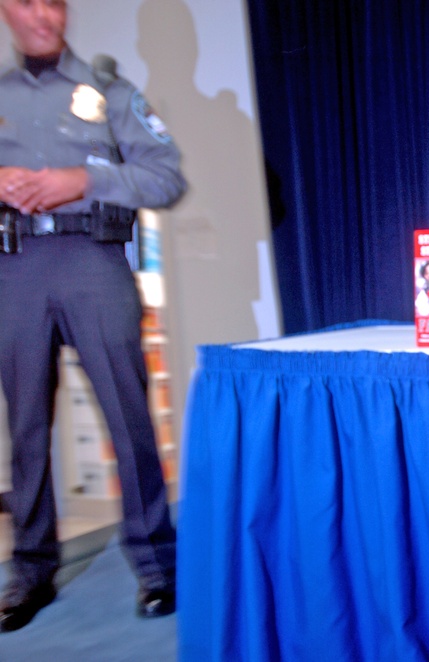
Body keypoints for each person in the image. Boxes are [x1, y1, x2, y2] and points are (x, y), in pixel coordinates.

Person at [0, 0, 186, 632]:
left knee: (127, 417)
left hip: (93, 260)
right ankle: (30, 571)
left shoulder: (110, 90)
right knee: (25, 428)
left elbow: (164, 177)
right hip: (14, 267)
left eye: (52, 0)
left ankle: (158, 566)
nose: (41, 13)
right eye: (25, 1)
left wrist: (84, 178)